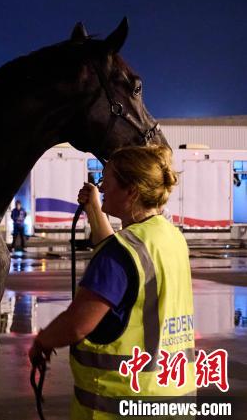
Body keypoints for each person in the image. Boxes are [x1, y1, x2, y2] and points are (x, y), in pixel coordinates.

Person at [28, 145, 195, 419]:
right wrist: (95, 208)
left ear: (131, 190)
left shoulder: (121, 252)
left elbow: (77, 323)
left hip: (123, 401)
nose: (102, 187)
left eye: (107, 180)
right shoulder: (170, 236)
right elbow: (125, 263)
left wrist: (43, 341)